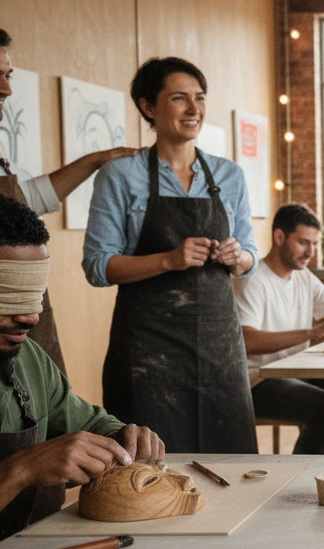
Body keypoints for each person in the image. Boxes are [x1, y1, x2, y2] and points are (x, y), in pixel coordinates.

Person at [0, 189, 162, 549]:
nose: (31, 316)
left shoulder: (25, 360)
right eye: (6, 292)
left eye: (34, 292)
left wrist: (123, 435)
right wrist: (20, 470)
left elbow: (88, 423)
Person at [0, 15, 137, 372]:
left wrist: (94, 161)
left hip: (22, 316)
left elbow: (28, 198)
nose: (6, 89)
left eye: (7, 76)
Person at [82, 57, 257, 454]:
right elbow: (97, 266)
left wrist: (237, 256)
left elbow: (250, 257)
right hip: (147, 354)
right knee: (149, 468)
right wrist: (168, 259)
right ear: (148, 107)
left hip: (219, 352)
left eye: (200, 98)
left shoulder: (230, 176)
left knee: (231, 466)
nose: (194, 109)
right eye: (180, 98)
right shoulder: (121, 175)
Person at [234, 203, 324, 454]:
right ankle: (302, 476)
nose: (310, 251)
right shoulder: (253, 281)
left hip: (294, 373)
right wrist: (311, 333)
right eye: (303, 242)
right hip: (256, 381)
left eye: (314, 244)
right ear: (279, 237)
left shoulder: (302, 276)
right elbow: (246, 341)